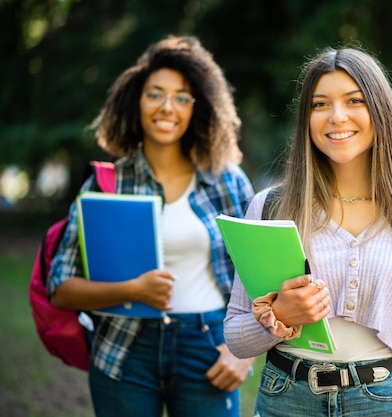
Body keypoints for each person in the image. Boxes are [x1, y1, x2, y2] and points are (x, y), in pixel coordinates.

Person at [224, 46, 392, 417]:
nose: (337, 117)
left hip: (387, 403)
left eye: (354, 100)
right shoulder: (270, 208)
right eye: (320, 105)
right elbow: (236, 338)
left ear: (380, 111)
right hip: (286, 399)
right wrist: (281, 317)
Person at [48, 35, 256, 417]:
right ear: (135, 101)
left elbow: (260, 279)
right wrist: (134, 290)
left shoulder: (229, 181)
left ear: (200, 107)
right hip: (125, 351)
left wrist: (243, 351)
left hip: (208, 347)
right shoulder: (106, 184)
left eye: (182, 97)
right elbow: (60, 288)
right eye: (155, 94)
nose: (167, 107)